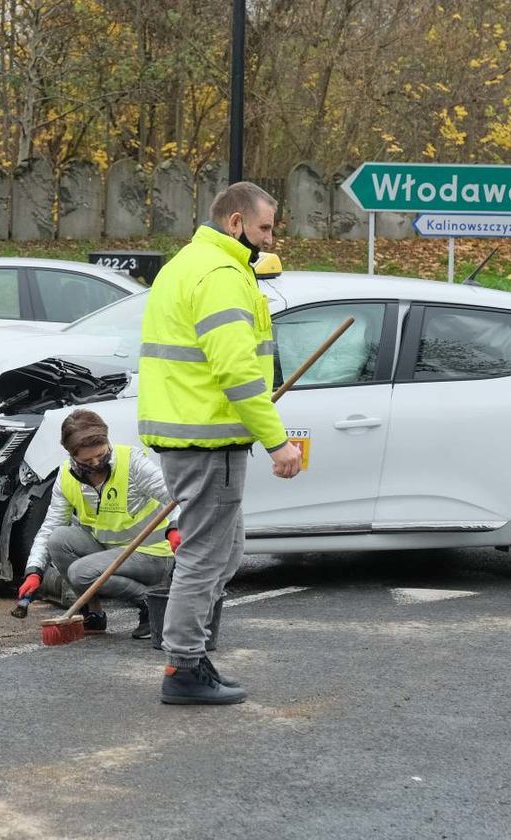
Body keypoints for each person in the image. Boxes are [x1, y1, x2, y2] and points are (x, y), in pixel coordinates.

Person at [137, 181, 302, 705]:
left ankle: (191, 657)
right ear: (235, 223)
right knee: (208, 558)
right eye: (265, 228)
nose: (271, 240)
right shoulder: (221, 275)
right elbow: (235, 369)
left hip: (194, 433)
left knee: (223, 553)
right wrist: (277, 442)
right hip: (209, 439)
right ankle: (183, 667)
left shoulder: (186, 265)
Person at [16, 409, 179, 639]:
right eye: (87, 460)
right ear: (71, 455)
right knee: (58, 539)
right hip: (110, 552)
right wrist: (34, 571)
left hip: (151, 554)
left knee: (80, 573)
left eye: (101, 455)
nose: (96, 463)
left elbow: (177, 496)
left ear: (107, 442)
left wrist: (176, 528)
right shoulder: (66, 476)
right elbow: (50, 527)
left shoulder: (131, 463)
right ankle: (93, 614)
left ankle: (151, 603)